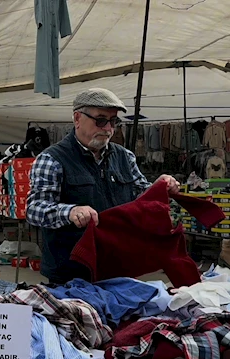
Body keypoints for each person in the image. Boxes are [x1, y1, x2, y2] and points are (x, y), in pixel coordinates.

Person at [26, 88, 180, 284]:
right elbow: (34, 209)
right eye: (100, 120)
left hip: (119, 266)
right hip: (71, 274)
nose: (108, 128)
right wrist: (70, 212)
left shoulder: (125, 156)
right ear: (77, 118)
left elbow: (141, 197)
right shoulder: (52, 159)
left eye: (113, 121)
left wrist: (159, 189)